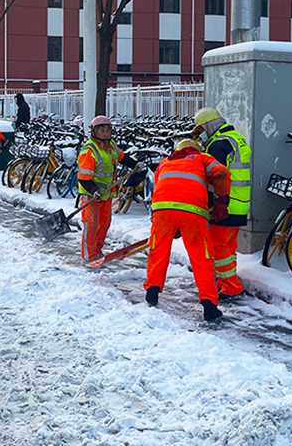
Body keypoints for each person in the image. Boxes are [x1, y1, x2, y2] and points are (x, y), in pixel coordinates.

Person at [144, 138, 232, 322]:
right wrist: (221, 202)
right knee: (202, 257)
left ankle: (152, 291)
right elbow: (221, 173)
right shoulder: (203, 158)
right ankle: (209, 305)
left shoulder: (165, 161)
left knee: (158, 250)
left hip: (162, 210)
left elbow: (161, 185)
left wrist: (172, 222)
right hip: (193, 211)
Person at [192, 107, 251, 300]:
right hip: (239, 203)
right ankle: (226, 282)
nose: (200, 135)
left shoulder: (218, 144)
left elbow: (215, 180)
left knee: (219, 249)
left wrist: (211, 205)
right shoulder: (236, 138)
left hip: (224, 204)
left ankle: (230, 287)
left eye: (201, 130)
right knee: (228, 248)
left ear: (208, 125)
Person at [76, 116, 141, 262]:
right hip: (91, 195)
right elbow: (83, 177)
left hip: (106, 195)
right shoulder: (89, 151)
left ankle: (97, 250)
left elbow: (122, 157)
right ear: (94, 132)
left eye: (108, 130)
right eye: (102, 130)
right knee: (91, 227)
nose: (105, 133)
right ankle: (88, 256)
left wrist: (136, 165)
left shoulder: (110, 145)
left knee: (104, 224)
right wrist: (94, 191)